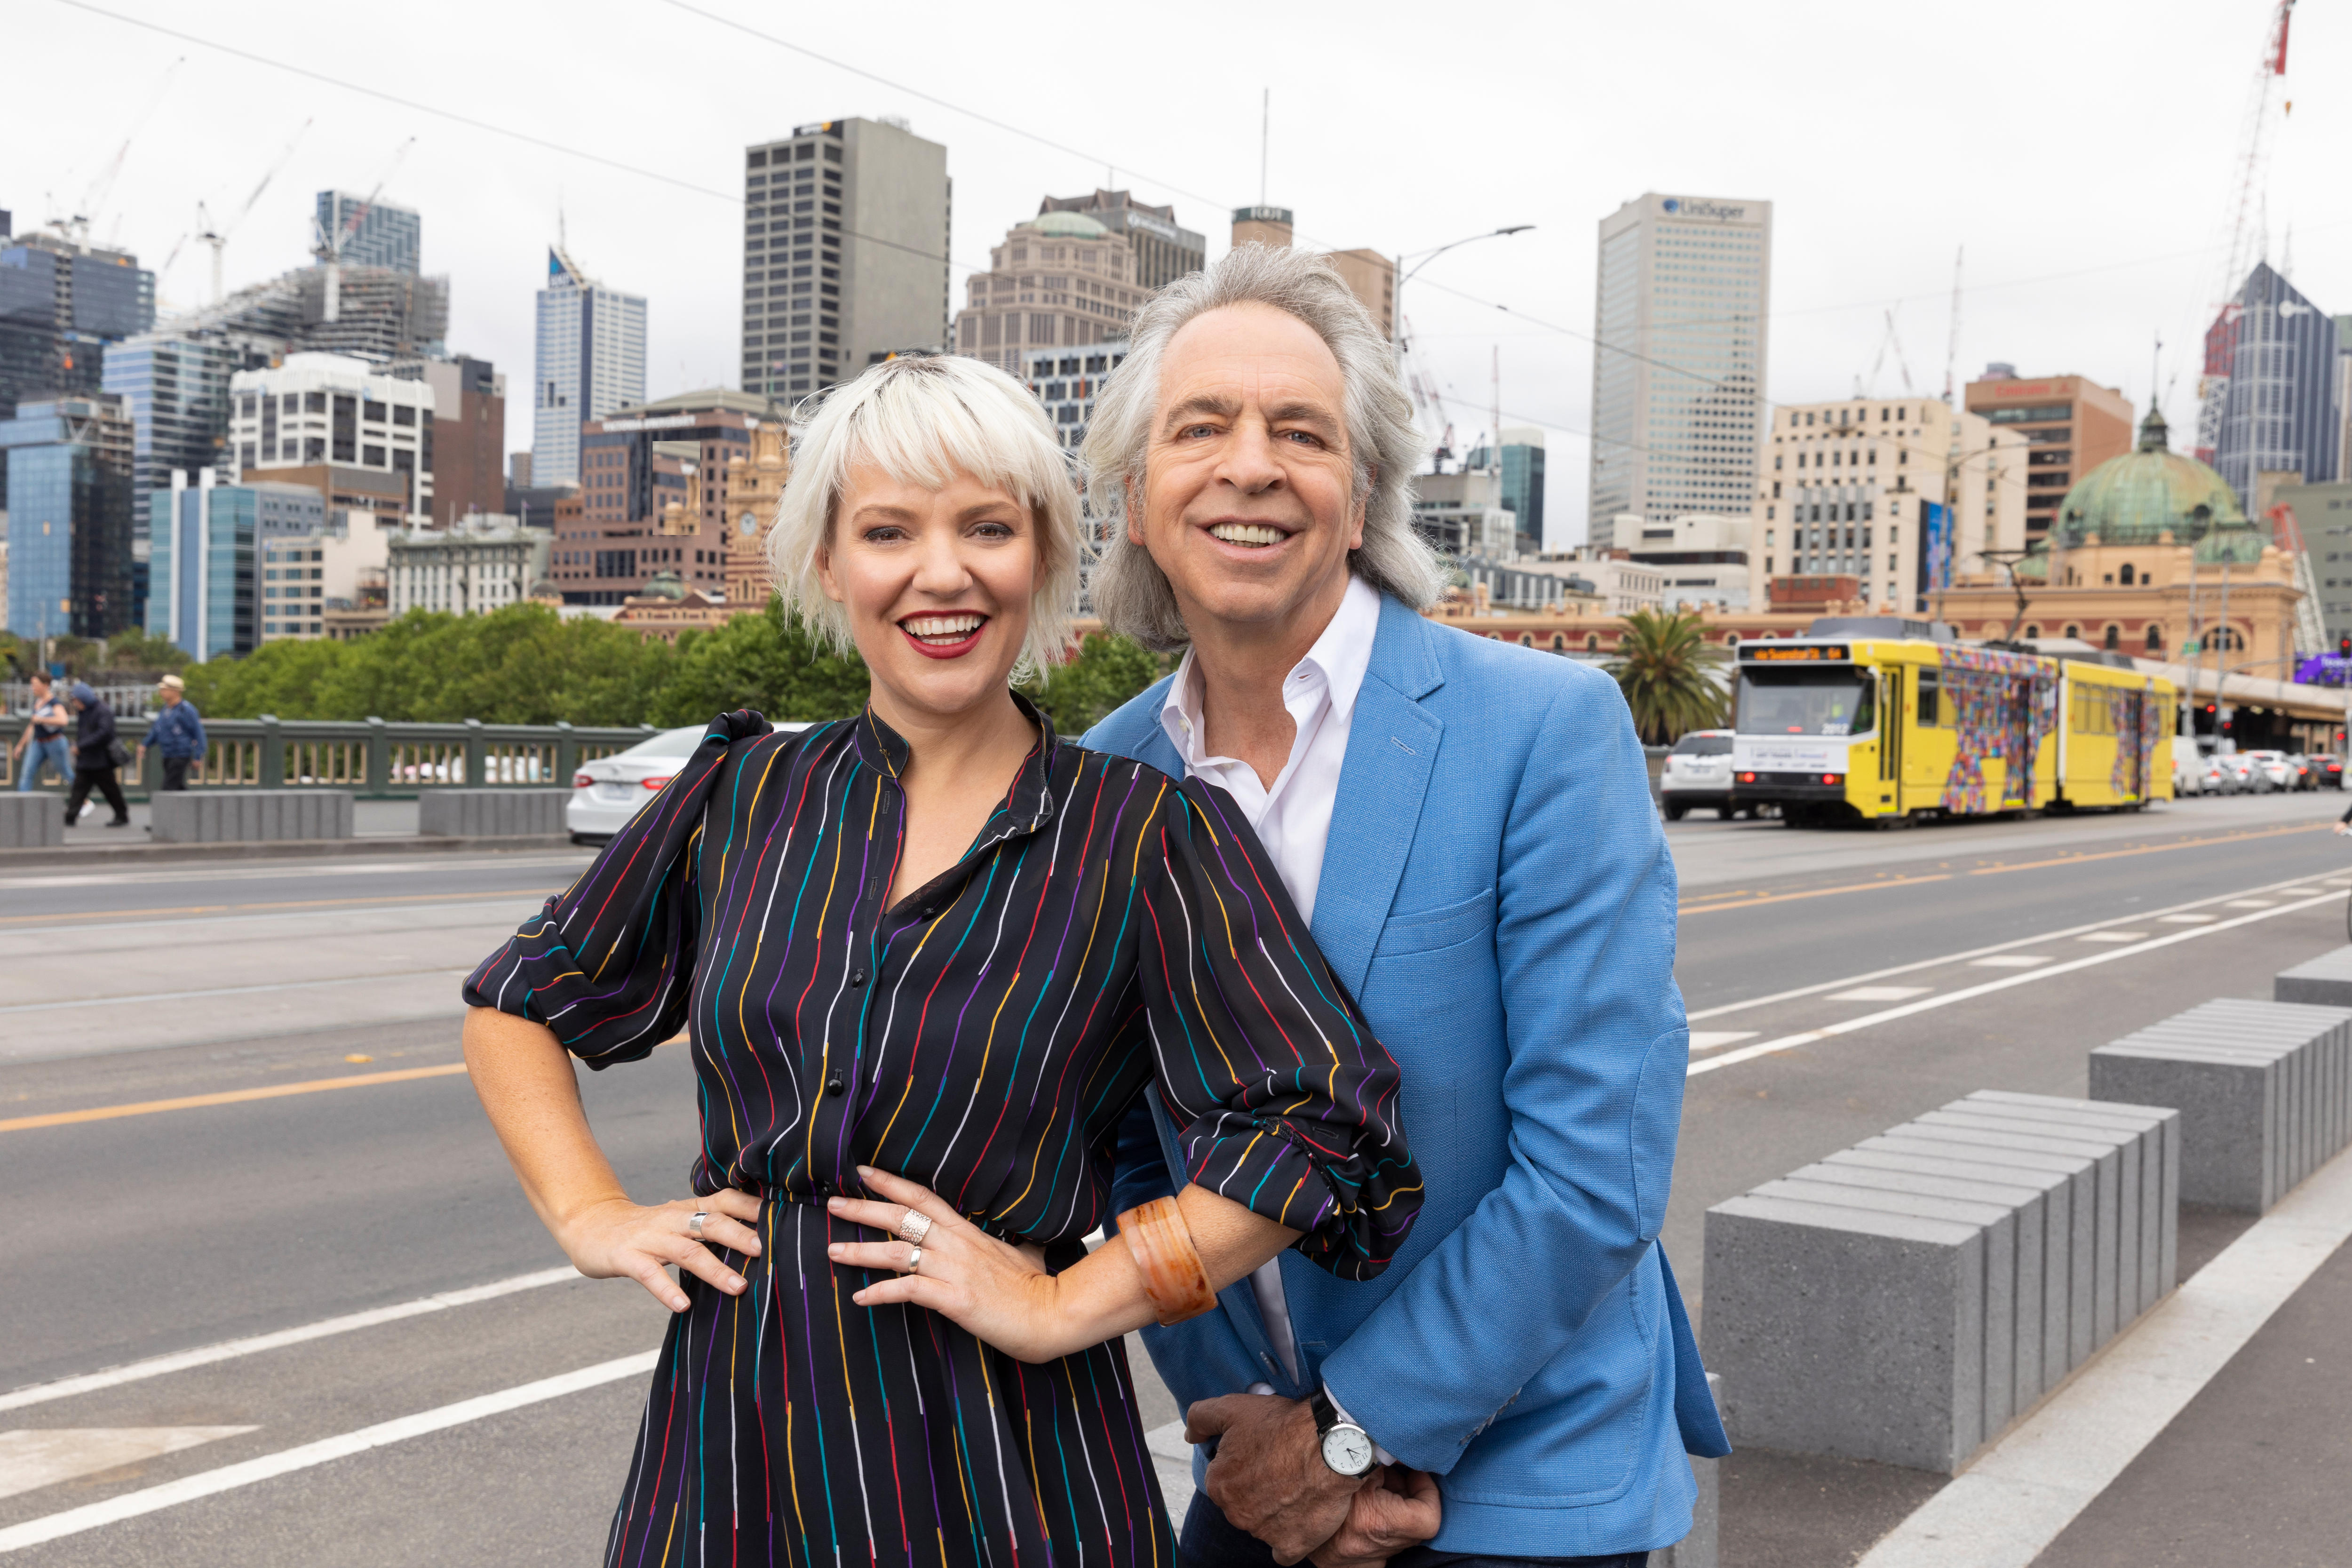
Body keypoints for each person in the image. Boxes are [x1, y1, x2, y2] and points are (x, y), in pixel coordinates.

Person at [460, 352, 1420, 1568]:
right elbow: (518, 1002)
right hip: (733, 1440)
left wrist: (1071, 1298)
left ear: (1042, 556)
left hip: (1006, 1460)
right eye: (888, 530)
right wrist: (592, 1212)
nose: (942, 572)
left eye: (986, 527)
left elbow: (1326, 1121)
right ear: (828, 561)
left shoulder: (1142, 832)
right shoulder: (741, 794)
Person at [1080, 245, 1728, 1568]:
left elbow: (1592, 1173)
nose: (1250, 465)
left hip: (1521, 1469)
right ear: (1139, 500)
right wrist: (1265, 1431)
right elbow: (1131, 1158)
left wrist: (1356, 1431)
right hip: (1257, 1466)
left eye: (1300, 432)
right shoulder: (1103, 779)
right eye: (1200, 428)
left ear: (1359, 492)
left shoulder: (1544, 729)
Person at [63, 682, 130, 828]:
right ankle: (70, 817)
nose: (75, 704)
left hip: (101, 760)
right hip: (86, 759)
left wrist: (81, 746)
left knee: (111, 791)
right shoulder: (85, 711)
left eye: (76, 701)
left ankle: (122, 815)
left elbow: (104, 734)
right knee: (78, 790)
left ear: (83, 699)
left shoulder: (103, 711)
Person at [138, 673, 207, 790]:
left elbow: (198, 733)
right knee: (177, 787)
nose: (162, 692)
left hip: (180, 754)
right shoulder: (165, 709)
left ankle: (165, 808)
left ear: (175, 691)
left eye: (165, 690)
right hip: (167, 754)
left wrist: (198, 756)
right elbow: (157, 730)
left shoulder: (186, 710)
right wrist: (145, 744)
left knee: (168, 788)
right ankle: (192, 807)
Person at [12, 671, 73, 791]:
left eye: (35, 684)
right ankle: (23, 806)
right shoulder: (37, 703)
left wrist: (41, 719)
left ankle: (83, 801)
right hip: (39, 743)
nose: (33, 688)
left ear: (45, 685)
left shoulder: (54, 702)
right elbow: (32, 726)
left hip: (55, 742)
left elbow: (64, 720)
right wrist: (20, 746)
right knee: (27, 774)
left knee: (66, 773)